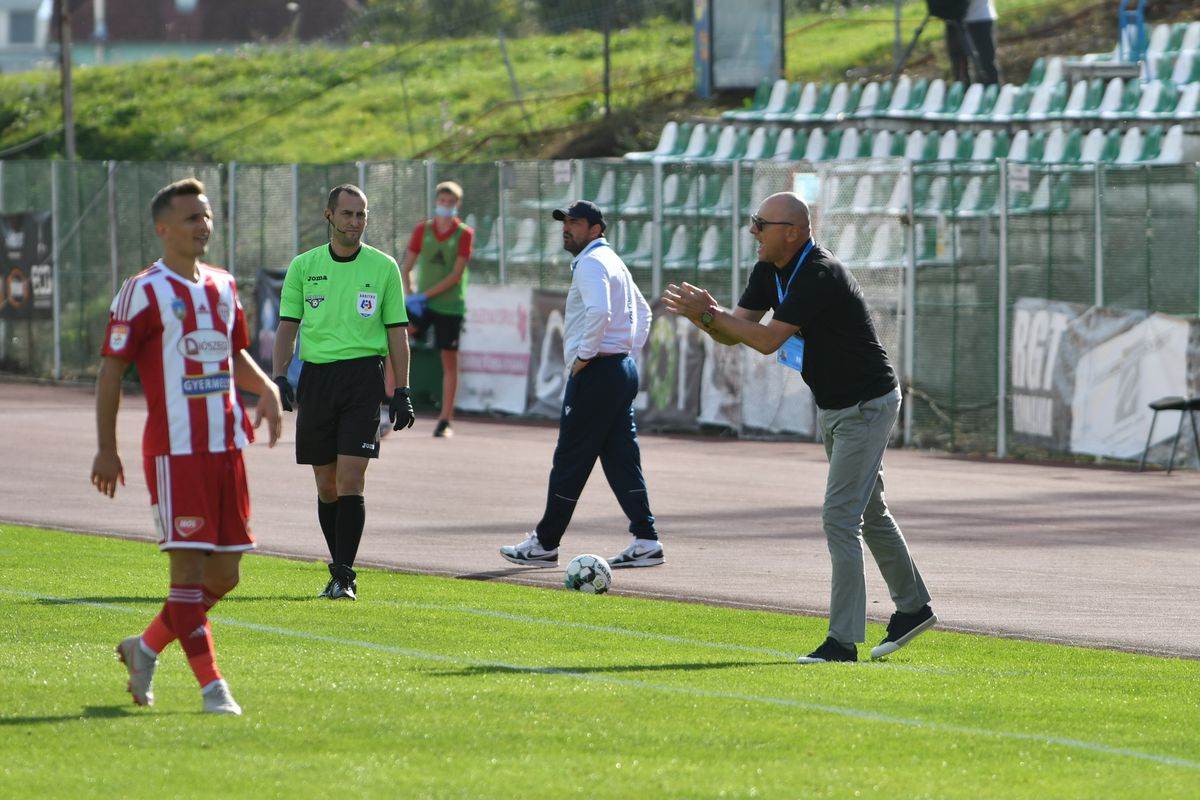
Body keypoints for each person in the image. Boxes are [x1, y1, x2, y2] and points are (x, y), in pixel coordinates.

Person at [662, 192, 935, 663]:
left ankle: (842, 642)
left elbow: (768, 340)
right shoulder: (768, 268)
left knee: (840, 518)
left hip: (866, 405)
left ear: (792, 232)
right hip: (837, 406)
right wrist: (706, 317)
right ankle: (914, 608)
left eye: (760, 223)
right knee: (870, 512)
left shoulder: (819, 272)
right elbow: (736, 332)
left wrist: (710, 315)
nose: (752, 230)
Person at [91, 178, 283, 714]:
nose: (204, 225)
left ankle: (144, 648)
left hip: (227, 447)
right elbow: (111, 371)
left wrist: (266, 388)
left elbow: (232, 354)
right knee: (188, 576)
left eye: (207, 216)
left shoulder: (223, 285)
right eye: (192, 218)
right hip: (176, 454)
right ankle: (212, 687)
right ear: (163, 228)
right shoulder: (142, 290)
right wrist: (106, 448)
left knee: (226, 575)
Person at [500, 200, 663, 570]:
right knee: (621, 458)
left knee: (570, 459)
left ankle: (544, 543)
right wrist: (626, 352)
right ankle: (646, 539)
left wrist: (584, 358)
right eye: (565, 221)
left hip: (598, 372)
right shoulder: (612, 259)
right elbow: (644, 312)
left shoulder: (591, 262)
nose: (566, 227)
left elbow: (600, 312)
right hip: (619, 369)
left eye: (575, 222)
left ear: (596, 229)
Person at [272, 184, 414, 601]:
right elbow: (287, 328)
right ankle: (339, 570)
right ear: (329, 215)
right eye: (348, 214)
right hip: (317, 380)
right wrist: (278, 377)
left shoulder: (384, 267)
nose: (355, 222)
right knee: (326, 485)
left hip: (363, 380)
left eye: (361, 214)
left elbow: (397, 334)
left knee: (352, 479)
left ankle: (345, 576)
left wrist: (402, 390)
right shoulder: (304, 266)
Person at [400, 180, 473, 438]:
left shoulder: (464, 234)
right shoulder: (423, 230)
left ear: (457, 204)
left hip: (450, 306)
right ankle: (388, 401)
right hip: (423, 304)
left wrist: (424, 295)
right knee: (395, 336)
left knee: (448, 359)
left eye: (451, 202)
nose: (446, 205)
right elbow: (406, 266)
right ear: (436, 201)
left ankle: (445, 419)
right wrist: (411, 295)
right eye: (442, 200)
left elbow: (456, 275)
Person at [945, 0, 1000, 85]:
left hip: (979, 19)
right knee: (959, 64)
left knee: (985, 62)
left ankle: (990, 88)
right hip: (956, 20)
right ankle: (964, 90)